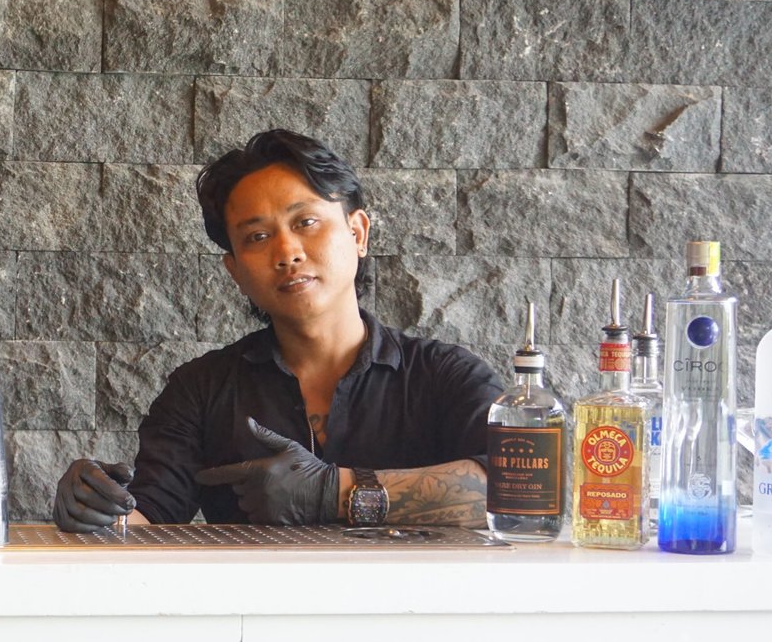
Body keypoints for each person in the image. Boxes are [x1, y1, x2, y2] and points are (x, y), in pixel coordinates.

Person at [53, 129, 505, 532]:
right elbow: (149, 515)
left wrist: (334, 492)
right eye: (257, 237)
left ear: (358, 233)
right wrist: (97, 508)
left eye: (305, 222)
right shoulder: (202, 389)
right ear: (234, 269)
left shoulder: (444, 377)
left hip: (415, 619)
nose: (287, 252)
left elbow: (518, 492)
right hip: (249, 623)